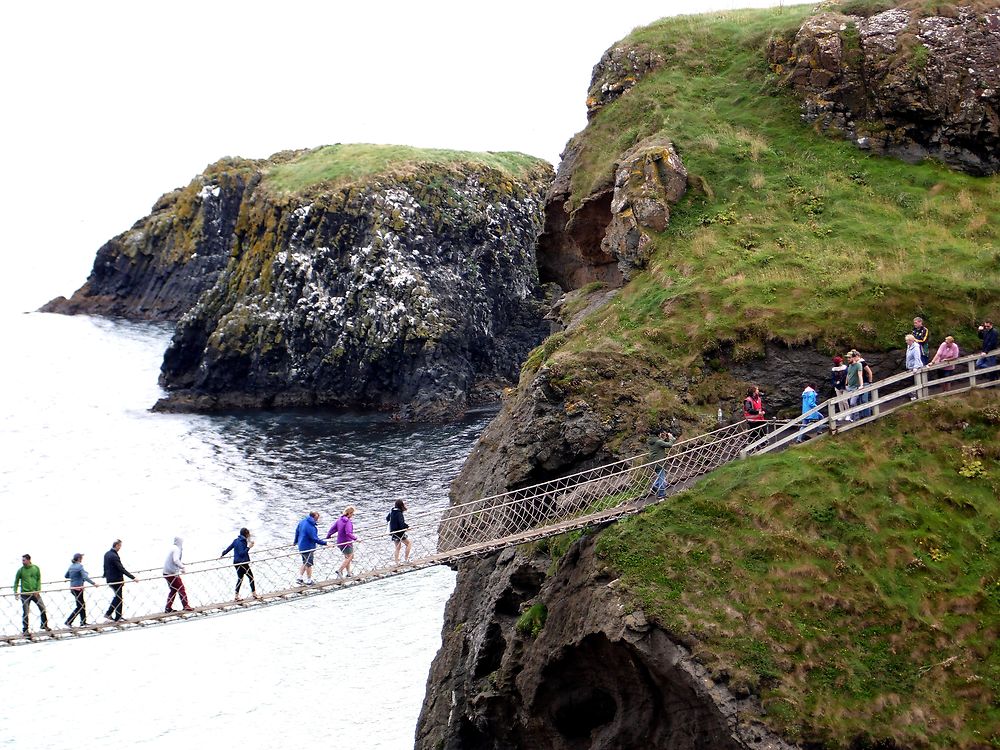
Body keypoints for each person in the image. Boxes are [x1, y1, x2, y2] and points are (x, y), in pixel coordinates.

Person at [14, 554, 49, 634]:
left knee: (42, 608)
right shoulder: (21, 570)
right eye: (22, 560)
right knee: (26, 612)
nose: (22, 562)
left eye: (24, 560)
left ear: (29, 560)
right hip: (24, 594)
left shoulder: (36, 568)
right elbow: (16, 581)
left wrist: (38, 590)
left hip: (35, 593)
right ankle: (25, 629)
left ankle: (44, 625)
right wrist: (15, 592)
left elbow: (39, 579)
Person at [221, 527, 259, 600]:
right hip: (243, 563)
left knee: (240, 579)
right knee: (251, 577)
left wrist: (223, 554)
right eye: (248, 534)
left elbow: (229, 548)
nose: (249, 535)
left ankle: (236, 596)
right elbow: (242, 553)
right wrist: (249, 547)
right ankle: (254, 594)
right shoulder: (243, 542)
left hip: (236, 563)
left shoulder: (236, 540)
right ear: (246, 534)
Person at [103, 540, 136, 622]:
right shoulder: (114, 556)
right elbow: (121, 568)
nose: (120, 548)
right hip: (116, 580)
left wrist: (104, 575)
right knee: (118, 598)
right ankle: (111, 614)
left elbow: (104, 566)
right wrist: (133, 577)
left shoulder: (107, 554)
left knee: (118, 597)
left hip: (110, 579)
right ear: (117, 545)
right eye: (120, 546)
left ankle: (116, 615)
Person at [65, 553, 99, 627]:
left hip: (72, 588)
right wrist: (94, 583)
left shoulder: (71, 566)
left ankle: (83, 621)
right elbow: (85, 577)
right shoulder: (80, 566)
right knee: (80, 606)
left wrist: (74, 576)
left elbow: (66, 576)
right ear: (79, 559)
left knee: (81, 605)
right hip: (78, 588)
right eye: (81, 558)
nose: (82, 559)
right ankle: (69, 621)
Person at [294, 511, 326, 585]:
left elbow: (297, 531)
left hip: (301, 546)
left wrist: (295, 541)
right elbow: (314, 538)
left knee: (305, 562)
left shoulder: (302, 521)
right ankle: (309, 580)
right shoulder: (310, 526)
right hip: (308, 547)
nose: (318, 519)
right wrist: (325, 543)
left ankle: (300, 578)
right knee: (309, 564)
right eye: (317, 517)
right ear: (315, 517)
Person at [163, 536, 191, 613]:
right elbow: (175, 560)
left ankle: (168, 608)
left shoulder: (173, 548)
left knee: (173, 590)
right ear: (180, 542)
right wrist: (182, 567)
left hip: (166, 573)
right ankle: (186, 606)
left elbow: (174, 560)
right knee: (181, 589)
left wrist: (180, 564)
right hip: (171, 573)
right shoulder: (177, 549)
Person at [328, 506, 358, 578]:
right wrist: (356, 538)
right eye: (353, 514)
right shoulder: (348, 521)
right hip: (347, 542)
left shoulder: (339, 520)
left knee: (347, 557)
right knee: (351, 557)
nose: (353, 516)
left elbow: (333, 528)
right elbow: (348, 533)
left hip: (340, 542)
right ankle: (340, 570)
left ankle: (348, 573)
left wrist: (328, 535)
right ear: (350, 513)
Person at [645, 429, 676, 498]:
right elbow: (669, 445)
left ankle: (655, 487)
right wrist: (671, 438)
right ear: (658, 434)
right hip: (659, 463)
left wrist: (664, 439)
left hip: (653, 462)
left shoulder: (651, 441)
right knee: (662, 478)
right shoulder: (658, 442)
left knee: (660, 476)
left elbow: (661, 444)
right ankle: (661, 494)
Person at [386, 500, 413, 564]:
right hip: (399, 532)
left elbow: (387, 518)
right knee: (409, 543)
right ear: (401, 505)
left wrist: (393, 524)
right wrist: (407, 527)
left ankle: (397, 562)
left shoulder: (392, 511)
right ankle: (406, 559)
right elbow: (401, 524)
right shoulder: (399, 513)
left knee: (397, 547)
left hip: (393, 532)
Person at [844, 352, 864, 420]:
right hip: (849, 387)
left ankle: (856, 417)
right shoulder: (849, 366)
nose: (848, 359)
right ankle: (854, 418)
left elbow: (860, 375)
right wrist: (846, 384)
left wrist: (861, 385)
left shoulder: (858, 365)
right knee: (851, 403)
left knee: (852, 403)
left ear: (853, 358)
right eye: (847, 358)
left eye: (849, 357)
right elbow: (848, 375)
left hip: (855, 387)